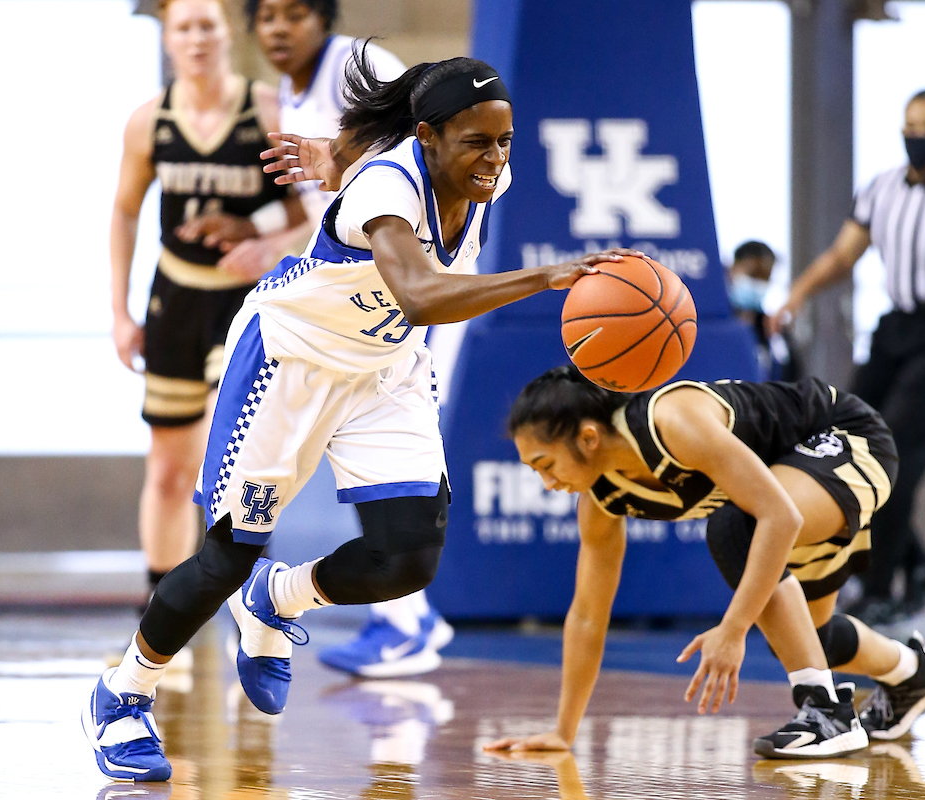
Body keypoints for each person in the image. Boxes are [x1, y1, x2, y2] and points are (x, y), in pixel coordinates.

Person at [83, 46, 634, 782]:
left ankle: (278, 597)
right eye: (477, 141)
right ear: (429, 136)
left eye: (505, 140)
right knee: (225, 554)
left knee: (407, 557)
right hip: (291, 360)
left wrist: (328, 155)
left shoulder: (470, 172)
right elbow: (419, 294)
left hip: (385, 369)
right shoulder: (390, 184)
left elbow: (365, 154)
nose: (496, 157)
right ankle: (122, 694)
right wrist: (545, 276)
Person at [484, 367, 925, 759]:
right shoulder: (602, 498)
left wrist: (732, 631)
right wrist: (564, 732)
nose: (547, 482)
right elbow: (588, 615)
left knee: (736, 528)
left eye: (546, 465)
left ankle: (826, 712)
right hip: (790, 482)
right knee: (807, 638)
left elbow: (779, 515)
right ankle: (913, 674)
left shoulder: (671, 420)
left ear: (587, 437)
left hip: (845, 439)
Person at [244, 0, 456, 678]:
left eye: (294, 14)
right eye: (266, 16)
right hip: (352, 306)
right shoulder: (288, 91)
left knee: (388, 465)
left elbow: (414, 170)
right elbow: (333, 209)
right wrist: (260, 243)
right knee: (368, 467)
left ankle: (407, 623)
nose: (279, 28)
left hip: (407, 301)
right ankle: (407, 618)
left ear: (324, 18)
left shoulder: (361, 69)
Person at [771, 89, 925, 624]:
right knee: (842, 439)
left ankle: (881, 586)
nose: (918, 134)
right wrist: (797, 294)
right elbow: (844, 255)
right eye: (911, 124)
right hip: (898, 329)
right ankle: (920, 561)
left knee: (895, 455)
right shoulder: (880, 189)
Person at [108, 0, 307, 654]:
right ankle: (163, 618)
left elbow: (319, 210)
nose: (196, 38)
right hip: (175, 299)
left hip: (248, 304)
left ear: (228, 34)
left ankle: (253, 613)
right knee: (168, 469)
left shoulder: (268, 111)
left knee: (243, 465)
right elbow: (125, 214)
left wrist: (266, 240)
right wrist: (119, 309)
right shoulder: (149, 123)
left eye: (207, 25)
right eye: (183, 27)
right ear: (167, 39)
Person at [728, 240, 799, 382]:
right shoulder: (718, 325)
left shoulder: (774, 331)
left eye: (765, 277)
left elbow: (792, 377)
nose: (758, 282)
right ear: (733, 269)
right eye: (753, 274)